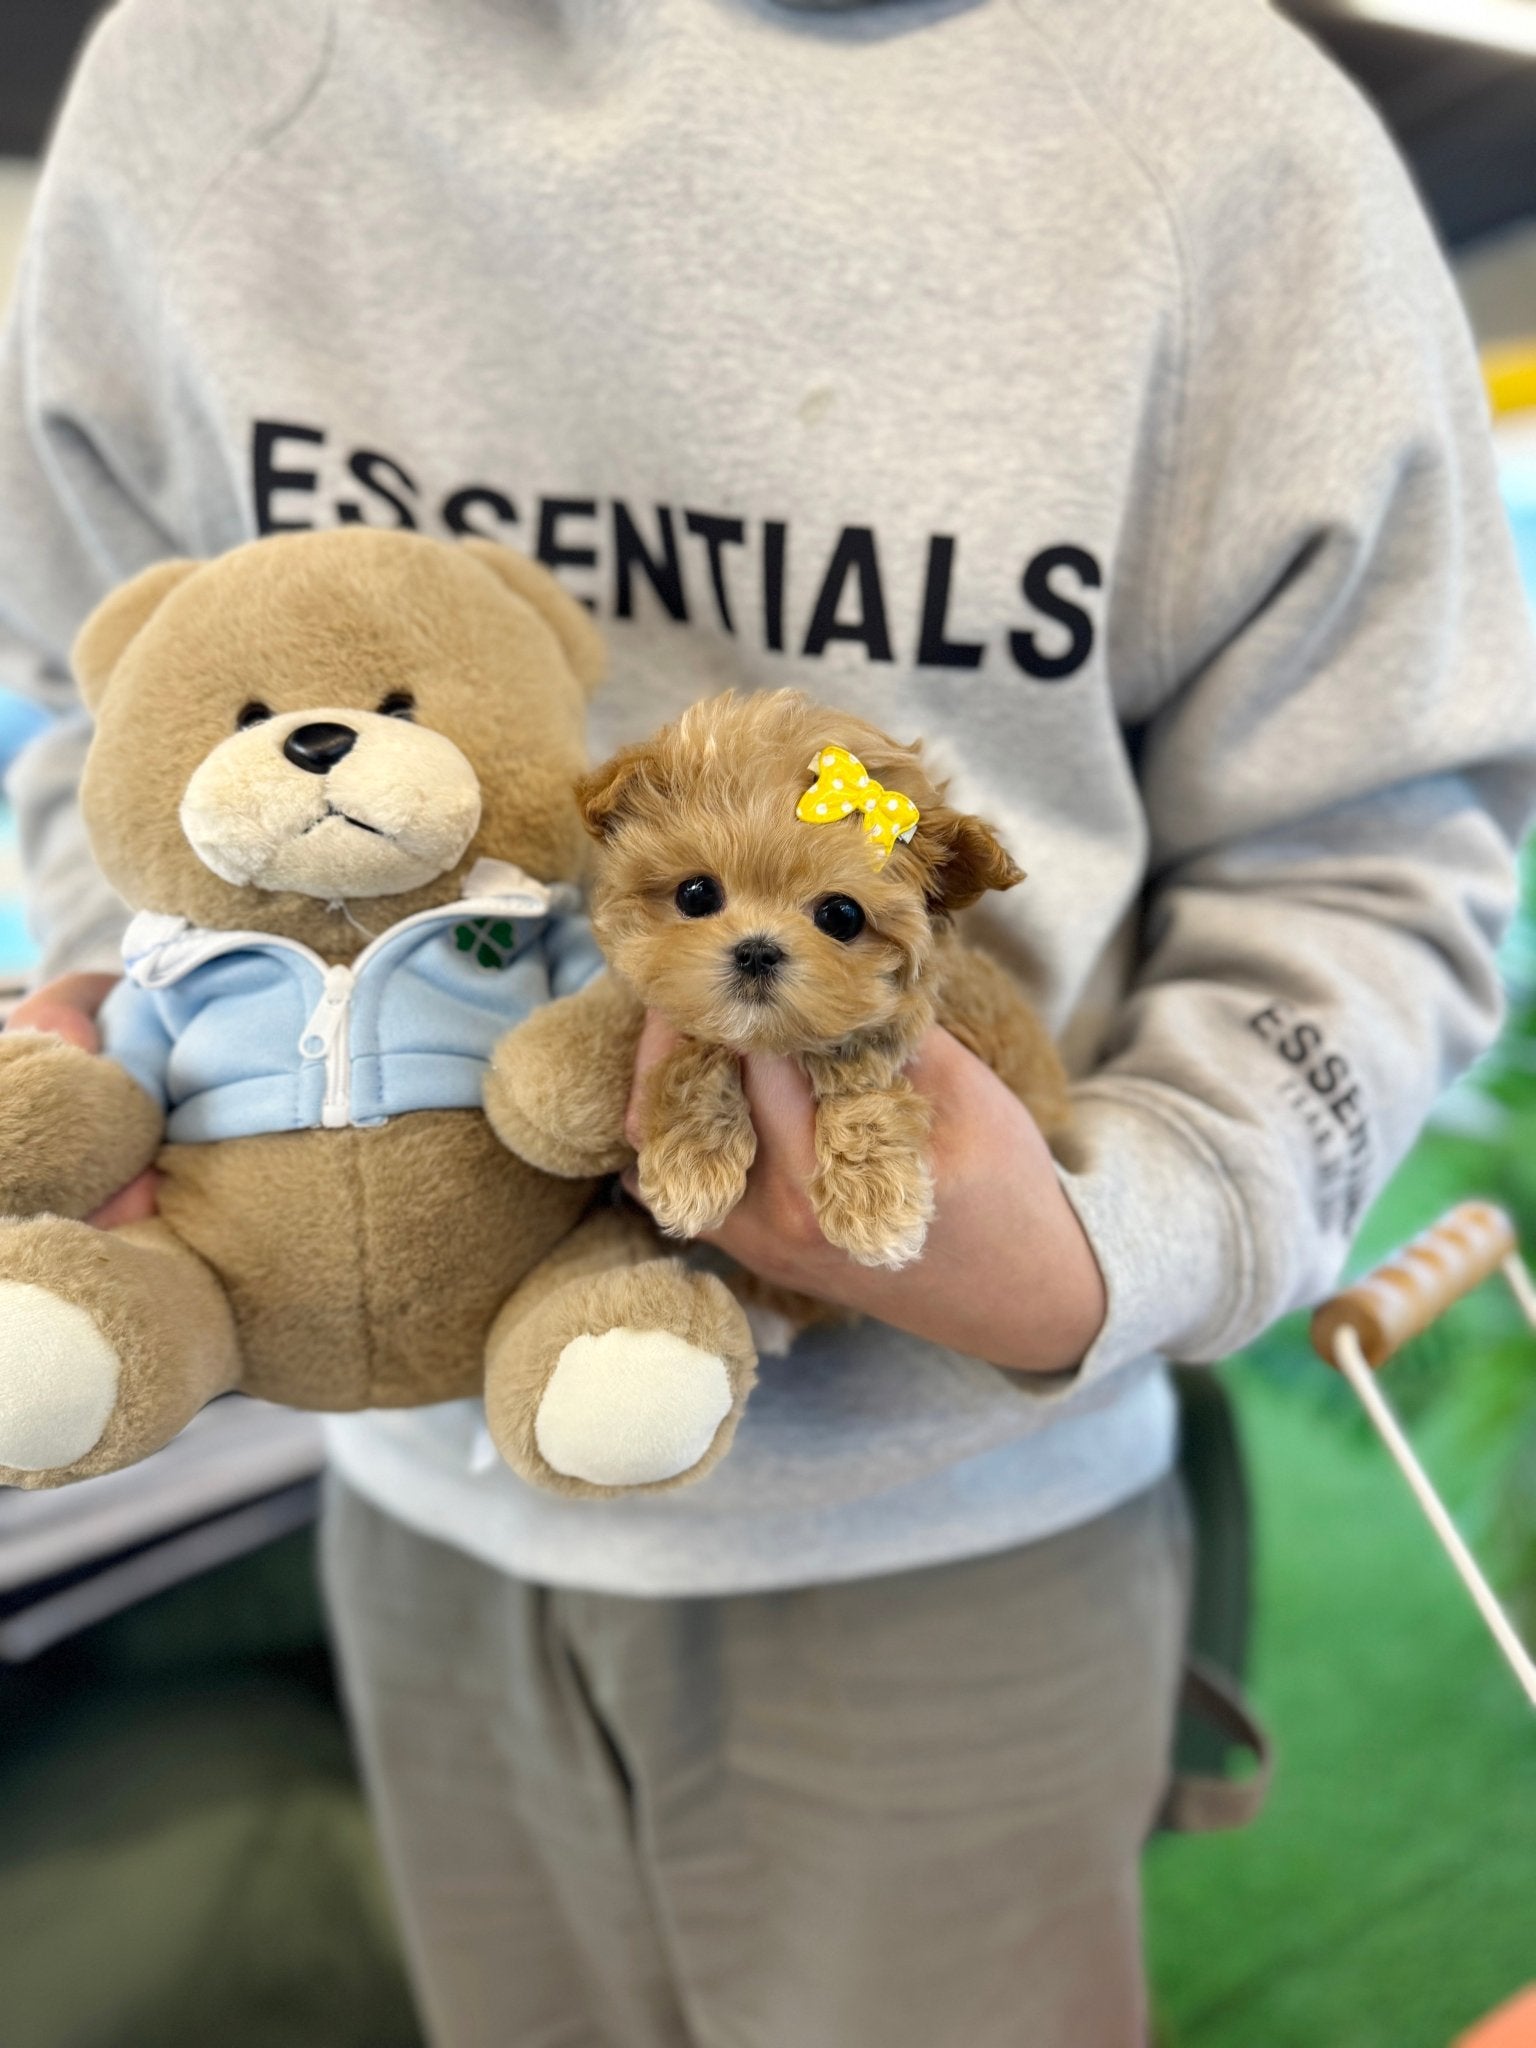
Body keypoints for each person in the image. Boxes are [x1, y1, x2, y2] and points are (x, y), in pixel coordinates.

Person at [3, 1, 1534, 2042]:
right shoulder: (213, 69)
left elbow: (1371, 849)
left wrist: (1106, 1240)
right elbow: (90, 690)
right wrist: (167, 1010)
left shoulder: (1222, 142)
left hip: (949, 1527)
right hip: (401, 1478)